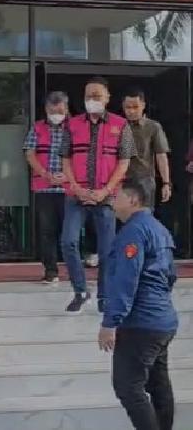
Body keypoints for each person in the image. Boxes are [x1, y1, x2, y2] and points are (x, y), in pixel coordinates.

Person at [99, 178, 178, 430]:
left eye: (117, 196)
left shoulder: (133, 232)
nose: (113, 201)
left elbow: (125, 280)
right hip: (162, 319)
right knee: (158, 385)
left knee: (128, 386)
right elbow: (170, 275)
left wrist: (110, 322)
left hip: (141, 322)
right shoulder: (159, 229)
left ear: (132, 200)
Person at [61, 76, 136, 313]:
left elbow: (124, 163)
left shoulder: (121, 125)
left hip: (106, 197)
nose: (92, 100)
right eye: (88, 96)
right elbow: (65, 159)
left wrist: (105, 190)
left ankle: (105, 296)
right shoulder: (71, 125)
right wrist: (76, 187)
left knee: (106, 251)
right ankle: (80, 291)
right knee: (68, 241)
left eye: (96, 96)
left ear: (107, 98)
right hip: (77, 195)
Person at [23, 91, 69, 284]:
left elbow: (82, 156)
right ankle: (51, 271)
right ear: (46, 110)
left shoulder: (75, 128)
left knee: (70, 232)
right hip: (44, 188)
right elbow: (30, 154)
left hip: (69, 189)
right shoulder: (37, 128)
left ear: (66, 109)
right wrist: (45, 174)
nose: (56, 115)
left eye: (60, 111)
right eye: (52, 111)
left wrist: (67, 176)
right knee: (47, 231)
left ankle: (74, 269)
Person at [123, 88, 172, 208]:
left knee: (144, 215)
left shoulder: (153, 127)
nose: (131, 111)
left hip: (144, 180)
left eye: (135, 107)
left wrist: (166, 183)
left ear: (143, 105)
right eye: (128, 107)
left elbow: (161, 156)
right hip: (121, 180)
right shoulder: (119, 126)